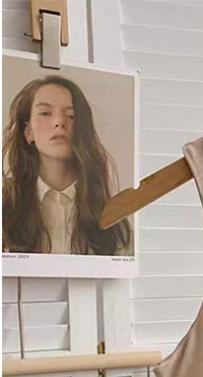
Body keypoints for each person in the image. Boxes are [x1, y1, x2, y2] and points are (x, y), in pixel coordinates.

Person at [2, 75, 132, 256]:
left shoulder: (113, 218)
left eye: (71, 116)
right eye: (45, 113)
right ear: (28, 132)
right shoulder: (6, 206)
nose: (59, 122)